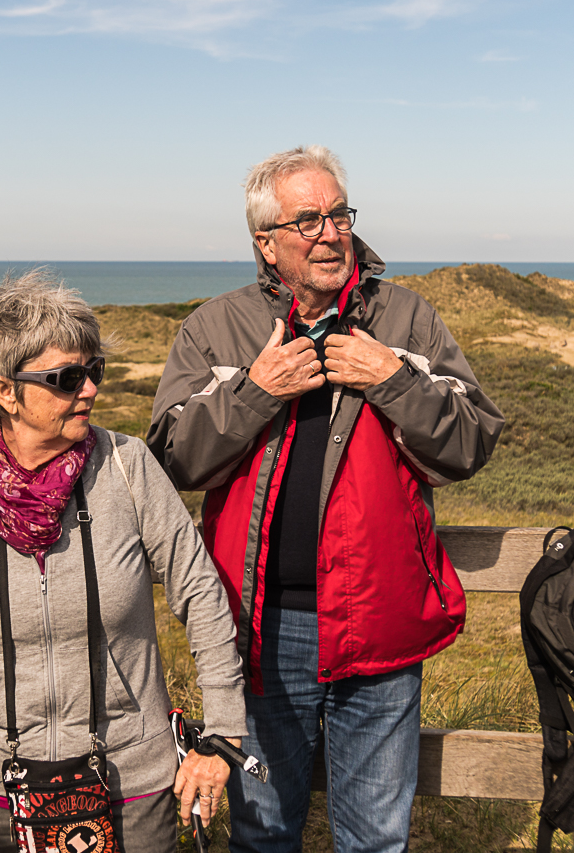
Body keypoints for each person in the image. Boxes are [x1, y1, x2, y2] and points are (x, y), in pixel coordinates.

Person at [148, 145, 504, 853]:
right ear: (266, 242)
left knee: (375, 838)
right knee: (264, 831)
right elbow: (170, 455)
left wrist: (394, 377)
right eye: (307, 219)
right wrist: (255, 391)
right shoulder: (218, 327)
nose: (330, 232)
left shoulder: (405, 321)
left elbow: (471, 442)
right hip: (258, 629)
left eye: (339, 213)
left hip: (381, 625)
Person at [0, 269, 246, 851]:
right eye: (66, 378)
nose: (89, 390)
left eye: (94, 372)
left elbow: (202, 596)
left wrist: (222, 734)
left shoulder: (128, 468)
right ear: (6, 391)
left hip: (127, 786)